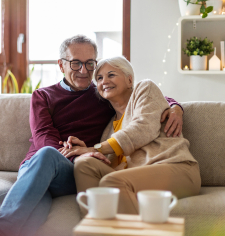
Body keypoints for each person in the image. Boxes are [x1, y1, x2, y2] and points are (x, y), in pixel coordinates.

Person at [0, 35, 185, 236]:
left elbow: (140, 96)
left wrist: (175, 107)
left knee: (49, 163)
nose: (83, 70)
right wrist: (81, 153)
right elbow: (43, 137)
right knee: (35, 204)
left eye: (90, 63)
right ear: (61, 65)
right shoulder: (42, 96)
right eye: (76, 63)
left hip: (76, 171)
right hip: (40, 165)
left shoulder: (101, 92)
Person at [70, 56, 200, 214]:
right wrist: (88, 153)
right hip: (134, 177)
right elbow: (113, 162)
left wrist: (97, 148)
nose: (104, 81)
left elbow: (143, 128)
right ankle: (96, 231)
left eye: (111, 75)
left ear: (129, 80)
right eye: (99, 78)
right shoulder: (108, 129)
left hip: (177, 168)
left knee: (113, 181)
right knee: (83, 164)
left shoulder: (145, 89)